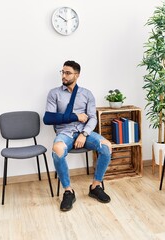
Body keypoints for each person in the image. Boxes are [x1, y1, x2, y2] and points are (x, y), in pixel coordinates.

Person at [43, 60, 112, 211]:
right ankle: (68, 191)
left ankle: (95, 186)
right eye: (62, 72)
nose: (64, 76)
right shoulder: (54, 93)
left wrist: (84, 133)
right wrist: (75, 116)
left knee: (106, 147)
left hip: (84, 132)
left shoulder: (86, 94)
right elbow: (48, 119)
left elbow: (92, 117)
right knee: (57, 150)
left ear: (77, 75)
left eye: (68, 73)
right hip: (65, 133)